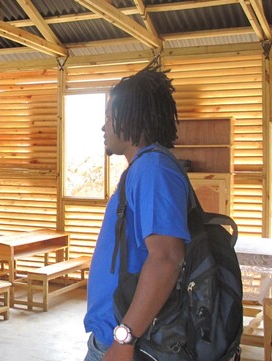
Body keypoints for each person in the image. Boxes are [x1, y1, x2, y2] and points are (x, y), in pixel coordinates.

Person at [83, 62, 191, 361]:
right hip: (116, 337)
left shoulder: (152, 169)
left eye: (108, 116)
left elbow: (167, 258)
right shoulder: (143, 169)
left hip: (133, 344)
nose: (104, 126)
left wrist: (125, 339)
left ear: (132, 118)